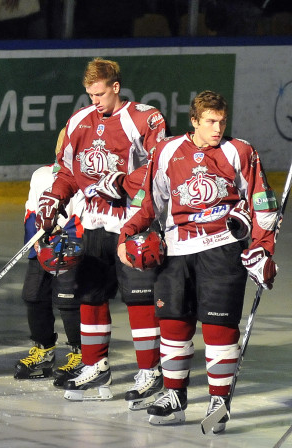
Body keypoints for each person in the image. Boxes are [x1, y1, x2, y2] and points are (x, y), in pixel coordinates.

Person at [117, 90, 278, 432]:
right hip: (175, 249)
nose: (217, 128)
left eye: (222, 121)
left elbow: (262, 204)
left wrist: (263, 249)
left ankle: (219, 400)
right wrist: (128, 233)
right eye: (210, 122)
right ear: (194, 121)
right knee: (174, 322)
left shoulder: (241, 151)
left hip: (222, 247)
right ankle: (174, 396)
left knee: (219, 326)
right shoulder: (167, 151)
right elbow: (150, 199)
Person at [35, 58, 166, 408]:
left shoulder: (145, 118)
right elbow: (67, 171)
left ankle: (149, 371)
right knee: (90, 296)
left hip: (131, 223)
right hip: (92, 222)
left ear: (116, 87)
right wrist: (53, 197)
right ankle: (95, 365)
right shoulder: (78, 120)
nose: (94, 100)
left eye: (100, 92)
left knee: (139, 299)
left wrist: (122, 181)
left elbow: (160, 167)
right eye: (89, 93)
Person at [14, 128, 84, 387]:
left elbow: (83, 217)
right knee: (33, 295)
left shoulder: (84, 177)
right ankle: (44, 350)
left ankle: (80, 353)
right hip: (41, 248)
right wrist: (35, 245)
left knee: (68, 301)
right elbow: (31, 212)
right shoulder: (41, 174)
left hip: (69, 250)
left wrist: (70, 241)